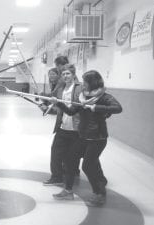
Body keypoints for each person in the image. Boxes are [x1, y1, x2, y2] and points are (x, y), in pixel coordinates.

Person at [52, 70, 122, 206]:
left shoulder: (104, 97)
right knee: (69, 159)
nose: (83, 84)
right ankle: (67, 191)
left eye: (85, 81)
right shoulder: (82, 97)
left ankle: (99, 193)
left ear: (92, 82)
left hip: (97, 138)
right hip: (83, 136)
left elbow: (118, 108)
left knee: (88, 166)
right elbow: (71, 111)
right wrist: (58, 103)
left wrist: (97, 107)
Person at [41, 56, 70, 186]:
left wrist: (45, 97)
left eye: (67, 72)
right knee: (64, 150)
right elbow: (58, 105)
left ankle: (60, 175)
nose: (63, 73)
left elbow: (55, 97)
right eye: (61, 71)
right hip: (64, 122)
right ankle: (66, 172)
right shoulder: (64, 83)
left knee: (60, 150)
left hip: (71, 124)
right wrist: (47, 107)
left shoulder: (66, 84)